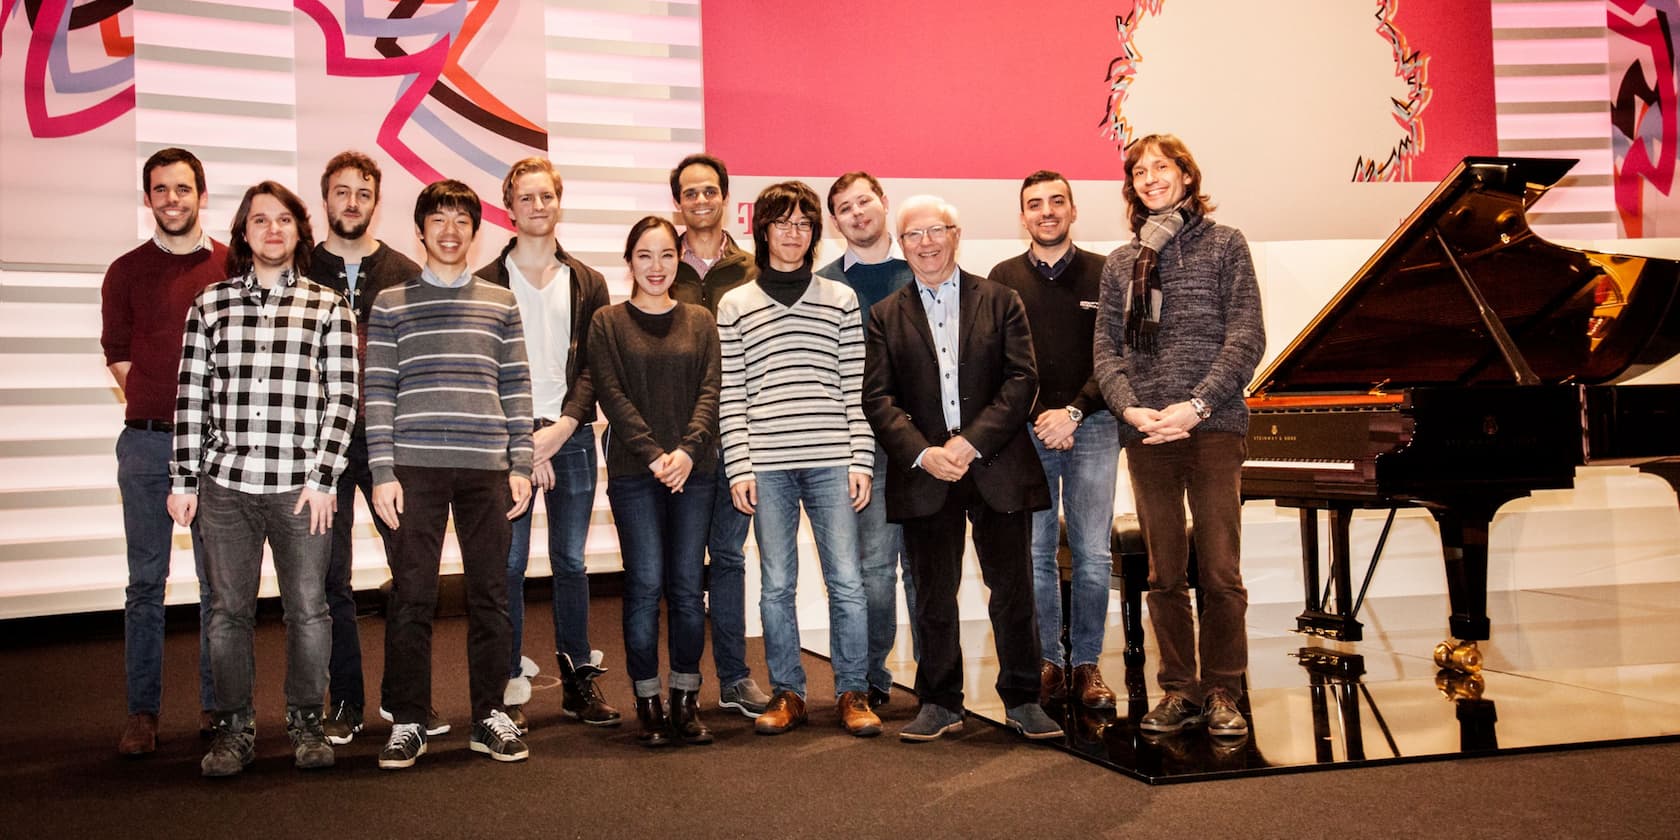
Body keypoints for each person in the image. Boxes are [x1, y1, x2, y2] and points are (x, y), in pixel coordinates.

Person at [167, 180, 358, 776]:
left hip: (302, 489)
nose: (272, 229)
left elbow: (343, 399)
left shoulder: (329, 306)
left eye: (283, 220)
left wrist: (324, 478)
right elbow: (191, 394)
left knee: (308, 609)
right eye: (259, 221)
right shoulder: (211, 303)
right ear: (244, 234)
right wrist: (183, 478)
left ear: (300, 231)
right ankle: (233, 730)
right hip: (226, 487)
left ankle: (305, 722)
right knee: (228, 612)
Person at [862, 195, 1062, 743]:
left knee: (1013, 588)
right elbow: (878, 399)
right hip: (927, 472)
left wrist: (969, 444)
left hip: (995, 463)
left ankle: (1023, 699)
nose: (925, 244)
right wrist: (926, 453)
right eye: (913, 236)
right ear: (901, 247)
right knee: (932, 592)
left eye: (935, 231)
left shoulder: (1001, 301)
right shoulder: (885, 315)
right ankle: (940, 701)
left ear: (956, 234)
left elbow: (1022, 380)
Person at [1092, 134, 1265, 739]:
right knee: (1165, 572)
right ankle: (1178, 690)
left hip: (1212, 428)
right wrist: (1133, 411)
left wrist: (1195, 405)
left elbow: (1246, 338)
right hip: (1148, 435)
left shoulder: (1225, 245)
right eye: (1138, 171)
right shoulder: (1122, 262)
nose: (1149, 178)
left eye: (1161, 168)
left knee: (1219, 570)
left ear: (1187, 176)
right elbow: (1107, 352)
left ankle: (1223, 689)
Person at [366, 180, 533, 769]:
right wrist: (382, 470)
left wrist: (521, 462)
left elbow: (516, 386)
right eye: (438, 218)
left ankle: (489, 715)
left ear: (475, 229)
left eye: (462, 218)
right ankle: (408, 718)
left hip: (487, 468)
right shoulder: (390, 303)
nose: (450, 229)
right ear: (419, 230)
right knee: (412, 597)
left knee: (491, 596)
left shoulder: (500, 302)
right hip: (415, 469)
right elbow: (379, 392)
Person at [715, 181, 880, 738]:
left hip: (835, 460)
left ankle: (853, 691)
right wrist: (738, 464)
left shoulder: (841, 299)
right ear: (762, 230)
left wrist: (861, 457)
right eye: (782, 222)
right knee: (777, 585)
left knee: (848, 583)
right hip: (767, 465)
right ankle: (789, 692)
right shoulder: (734, 304)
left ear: (815, 232)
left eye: (804, 223)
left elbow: (854, 385)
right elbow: (731, 392)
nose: (793, 233)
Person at [474, 158, 618, 731]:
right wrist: (522, 442)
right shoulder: (484, 280)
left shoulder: (588, 281)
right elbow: (482, 369)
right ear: (508, 208)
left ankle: (577, 678)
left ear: (559, 202)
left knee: (571, 561)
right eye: (526, 198)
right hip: (506, 441)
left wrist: (559, 429)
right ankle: (505, 681)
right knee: (505, 564)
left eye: (546, 197)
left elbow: (594, 367)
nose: (537, 206)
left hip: (574, 435)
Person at [101, 147, 226, 757]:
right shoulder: (125, 270)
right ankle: (142, 714)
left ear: (202, 195)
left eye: (183, 188)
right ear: (147, 198)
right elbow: (118, 352)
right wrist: (158, 403)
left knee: (217, 586)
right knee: (145, 584)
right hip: (147, 445)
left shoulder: (233, 266)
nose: (172, 199)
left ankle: (216, 706)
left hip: (217, 451)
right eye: (160, 190)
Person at [302, 150, 427, 744]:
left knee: (410, 573)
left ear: (377, 204)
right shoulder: (300, 267)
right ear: (325, 199)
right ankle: (345, 701)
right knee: (332, 581)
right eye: (342, 192)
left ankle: (404, 703)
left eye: (364, 194)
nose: (352, 203)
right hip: (320, 448)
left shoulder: (404, 271)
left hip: (392, 446)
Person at [987, 170, 1119, 710]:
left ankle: (1086, 664)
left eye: (1056, 201)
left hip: (1097, 425)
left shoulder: (1107, 273)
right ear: (1022, 216)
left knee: (1091, 553)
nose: (1047, 211)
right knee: (1036, 553)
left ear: (1073, 209)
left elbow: (1117, 357)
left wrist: (1074, 410)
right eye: (1035, 204)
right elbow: (999, 363)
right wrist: (1043, 415)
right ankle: (1047, 661)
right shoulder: (1001, 278)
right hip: (1028, 432)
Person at [588, 216, 721, 747]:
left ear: (680, 261)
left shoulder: (700, 320)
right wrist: (654, 455)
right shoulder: (607, 321)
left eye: (667, 255)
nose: (657, 267)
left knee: (688, 590)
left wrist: (687, 451)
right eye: (645, 255)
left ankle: (686, 699)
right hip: (634, 473)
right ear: (629, 262)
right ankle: (647, 699)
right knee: (645, 586)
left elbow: (710, 389)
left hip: (697, 471)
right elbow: (611, 394)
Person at [666, 153, 770, 717]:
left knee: (728, 557)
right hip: (680, 442)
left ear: (725, 197)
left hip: (740, 434)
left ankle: (734, 677)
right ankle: (680, 682)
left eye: (710, 191)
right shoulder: (659, 268)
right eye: (689, 192)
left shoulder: (754, 268)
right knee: (679, 569)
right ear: (677, 202)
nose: (700, 200)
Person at [816, 171, 917, 708]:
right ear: (835, 223)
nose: (857, 213)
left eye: (864, 202)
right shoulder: (826, 283)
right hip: (863, 446)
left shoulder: (920, 268)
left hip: (926, 444)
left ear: (883, 203)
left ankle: (935, 678)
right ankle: (872, 676)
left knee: (925, 568)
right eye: (844, 208)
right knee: (874, 571)